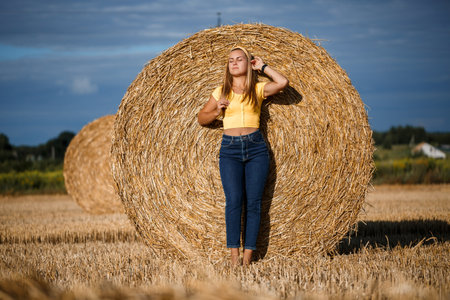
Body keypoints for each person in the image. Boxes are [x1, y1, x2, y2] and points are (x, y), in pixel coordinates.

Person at [198, 46, 289, 266]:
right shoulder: (221, 91)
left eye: (240, 59)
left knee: (254, 204)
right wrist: (217, 110)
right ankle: (233, 258)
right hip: (229, 149)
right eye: (231, 61)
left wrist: (263, 67)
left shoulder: (257, 89)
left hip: (256, 148)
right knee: (234, 201)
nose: (235, 63)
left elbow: (283, 83)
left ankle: (247, 259)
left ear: (248, 64)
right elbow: (202, 118)